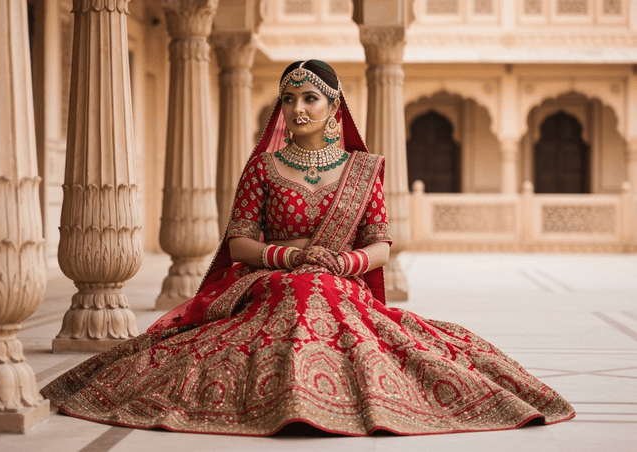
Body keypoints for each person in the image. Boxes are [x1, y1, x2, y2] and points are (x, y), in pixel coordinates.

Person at [41, 60, 575, 436]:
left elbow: (382, 246)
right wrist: (290, 257)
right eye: (289, 98)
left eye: (310, 97)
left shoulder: (361, 171)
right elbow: (240, 244)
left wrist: (343, 262)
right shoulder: (264, 166)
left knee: (328, 292)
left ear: (333, 105)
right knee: (300, 290)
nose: (298, 108)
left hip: (338, 280)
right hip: (269, 280)